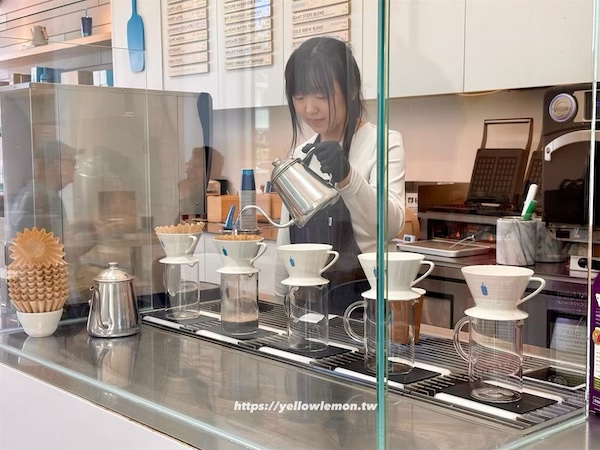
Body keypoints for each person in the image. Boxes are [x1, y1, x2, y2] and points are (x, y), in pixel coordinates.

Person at [275, 37, 406, 314]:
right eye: (299, 96)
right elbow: (285, 240)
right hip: (308, 307)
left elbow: (392, 225)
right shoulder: (301, 154)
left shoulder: (382, 143)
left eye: (321, 96)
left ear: (352, 89)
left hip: (365, 305)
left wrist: (347, 177)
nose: (309, 108)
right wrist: (279, 302)